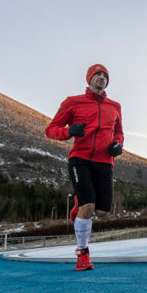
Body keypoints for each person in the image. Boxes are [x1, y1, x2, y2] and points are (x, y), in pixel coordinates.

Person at [45, 64, 124, 271]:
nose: (102, 78)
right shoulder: (72, 102)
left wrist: (118, 145)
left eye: (105, 75)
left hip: (105, 162)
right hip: (80, 159)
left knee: (103, 212)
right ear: (89, 79)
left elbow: (119, 133)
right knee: (87, 207)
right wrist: (69, 131)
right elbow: (51, 129)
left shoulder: (115, 106)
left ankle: (79, 206)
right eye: (97, 74)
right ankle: (83, 255)